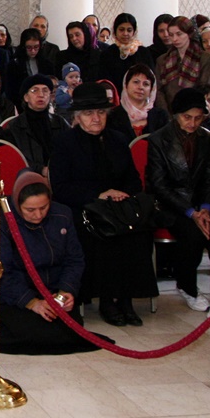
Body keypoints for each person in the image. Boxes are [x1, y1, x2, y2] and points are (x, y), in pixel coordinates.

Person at [50, 85, 156, 327]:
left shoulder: (118, 139)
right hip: (83, 207)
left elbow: (133, 180)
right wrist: (99, 195)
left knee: (136, 231)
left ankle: (126, 299)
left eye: (100, 112)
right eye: (88, 113)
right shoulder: (64, 142)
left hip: (118, 206)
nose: (96, 118)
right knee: (102, 233)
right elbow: (61, 187)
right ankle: (107, 299)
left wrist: (121, 195)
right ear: (78, 117)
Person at [0, 173, 109, 355]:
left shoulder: (62, 214)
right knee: (29, 333)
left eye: (43, 207)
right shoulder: (2, 219)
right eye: (30, 210)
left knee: (68, 332)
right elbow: (2, 270)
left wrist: (66, 291)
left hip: (53, 290)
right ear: (17, 204)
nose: (38, 215)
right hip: (18, 293)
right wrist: (32, 302)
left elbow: (74, 259)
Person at [146, 86, 210, 324]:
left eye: (198, 118)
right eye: (187, 117)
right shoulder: (158, 140)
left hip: (200, 204)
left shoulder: (206, 138)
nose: (192, 123)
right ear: (176, 115)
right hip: (170, 205)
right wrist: (190, 212)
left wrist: (206, 208)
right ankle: (187, 286)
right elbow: (159, 186)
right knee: (193, 234)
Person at [3, 75, 67, 172]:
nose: (41, 95)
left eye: (45, 90)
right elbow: (13, 159)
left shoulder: (59, 122)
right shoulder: (15, 126)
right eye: (35, 91)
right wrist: (41, 170)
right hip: (27, 176)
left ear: (50, 96)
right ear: (26, 97)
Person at [154, 16, 210, 110]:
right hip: (169, 111)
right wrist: (166, 114)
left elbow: (204, 87)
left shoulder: (204, 58)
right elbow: (159, 90)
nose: (174, 39)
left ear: (189, 33)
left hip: (195, 111)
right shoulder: (162, 60)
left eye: (179, 34)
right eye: (171, 35)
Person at [93, 12, 154, 87]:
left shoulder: (144, 53)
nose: (125, 33)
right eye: (121, 30)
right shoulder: (107, 54)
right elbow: (104, 80)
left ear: (134, 32)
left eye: (129, 30)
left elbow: (150, 78)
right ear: (115, 31)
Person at [108, 64, 167, 140]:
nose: (140, 87)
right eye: (136, 82)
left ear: (151, 89)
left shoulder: (160, 116)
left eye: (146, 84)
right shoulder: (113, 116)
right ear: (126, 85)